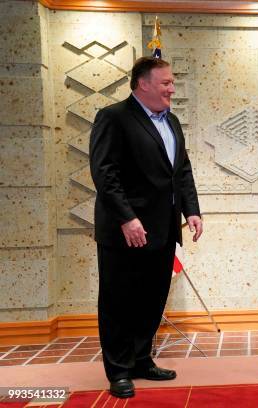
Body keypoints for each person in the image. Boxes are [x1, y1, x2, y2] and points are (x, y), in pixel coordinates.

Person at [89, 57, 202, 398]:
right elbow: (104, 173)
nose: (171, 88)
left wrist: (192, 210)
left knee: (152, 299)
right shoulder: (114, 117)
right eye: (166, 82)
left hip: (163, 228)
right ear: (143, 84)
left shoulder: (173, 121)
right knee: (119, 300)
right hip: (125, 230)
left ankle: (141, 359)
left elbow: (181, 170)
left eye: (171, 83)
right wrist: (126, 217)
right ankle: (119, 370)